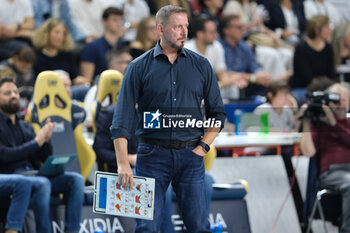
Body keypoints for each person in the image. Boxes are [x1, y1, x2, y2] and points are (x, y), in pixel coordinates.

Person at [110, 5, 226, 232]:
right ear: (160, 29)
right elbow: (121, 119)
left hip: (191, 155)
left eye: (186, 26)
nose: (184, 32)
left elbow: (218, 113)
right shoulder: (138, 67)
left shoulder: (201, 65)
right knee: (147, 227)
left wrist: (203, 147)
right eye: (177, 27)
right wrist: (123, 163)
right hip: (152, 156)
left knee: (199, 227)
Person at [0, 77, 84, 233]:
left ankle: (72, 230)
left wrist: (46, 139)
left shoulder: (25, 125)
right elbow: (5, 156)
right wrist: (36, 142)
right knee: (42, 183)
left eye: (15, 92)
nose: (13, 96)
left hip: (33, 174)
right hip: (11, 175)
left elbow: (42, 157)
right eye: (7, 93)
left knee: (76, 180)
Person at [300, 83, 350, 233]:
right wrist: (306, 123)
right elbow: (308, 152)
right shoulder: (319, 125)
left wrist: (334, 124)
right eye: (335, 99)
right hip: (332, 172)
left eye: (343, 99)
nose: (339, 103)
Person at [218, 15, 272, 100]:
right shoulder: (218, 47)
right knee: (234, 87)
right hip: (227, 83)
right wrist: (253, 78)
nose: (243, 30)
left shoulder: (244, 46)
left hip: (246, 81)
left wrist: (262, 74)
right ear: (226, 30)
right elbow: (226, 74)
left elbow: (254, 66)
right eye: (239, 27)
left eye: (243, 26)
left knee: (264, 84)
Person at [289, 15, 335, 106]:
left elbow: (331, 73)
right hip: (304, 87)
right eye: (327, 27)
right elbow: (306, 76)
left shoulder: (328, 47)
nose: (330, 30)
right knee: (300, 97)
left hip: (325, 87)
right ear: (317, 30)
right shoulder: (301, 48)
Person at [80, 7, 127, 84]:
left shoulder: (124, 45)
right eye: (114, 20)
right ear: (104, 21)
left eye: (121, 19)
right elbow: (87, 80)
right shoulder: (92, 46)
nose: (119, 23)